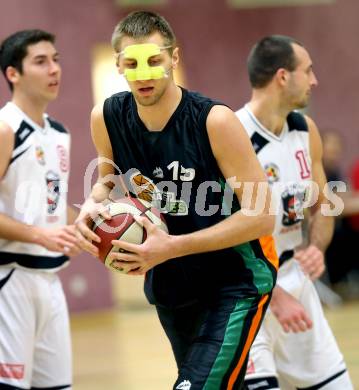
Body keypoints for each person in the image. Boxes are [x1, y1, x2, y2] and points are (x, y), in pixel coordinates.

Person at [75, 10, 278, 390]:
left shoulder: (214, 121)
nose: (145, 73)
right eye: (133, 63)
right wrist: (91, 205)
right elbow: (107, 183)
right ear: (118, 64)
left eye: (155, 60)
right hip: (171, 285)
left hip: (235, 282)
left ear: (174, 58)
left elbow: (262, 217)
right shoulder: (106, 117)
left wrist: (171, 247)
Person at [236, 35, 354, 389]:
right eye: (309, 71)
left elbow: (323, 204)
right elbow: (219, 236)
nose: (315, 81)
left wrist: (317, 246)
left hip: (295, 284)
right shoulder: (232, 135)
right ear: (283, 77)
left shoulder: (305, 130)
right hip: (247, 294)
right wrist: (272, 295)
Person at [0, 29, 80, 389]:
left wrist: (99, 226)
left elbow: (52, 206)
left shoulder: (59, 133)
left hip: (50, 282)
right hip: (10, 280)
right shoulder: (5, 130)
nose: (54, 69)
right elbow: (39, 227)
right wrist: (38, 235)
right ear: (12, 73)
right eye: (41, 61)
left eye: (56, 60)